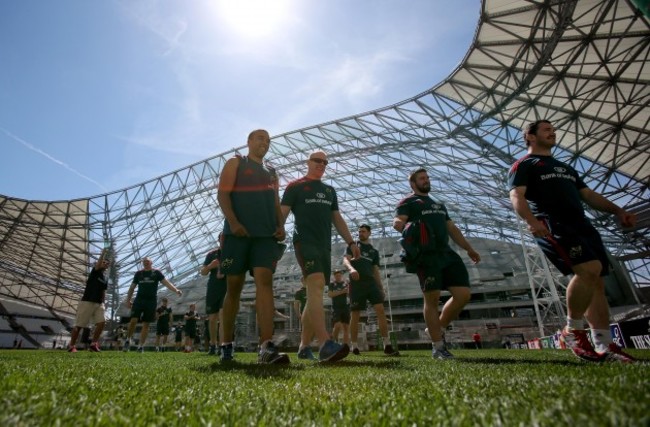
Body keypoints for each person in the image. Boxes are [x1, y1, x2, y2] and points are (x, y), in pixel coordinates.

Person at [508, 119, 637, 363]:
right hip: (553, 224)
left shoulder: (564, 167)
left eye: (553, 130)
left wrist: (618, 211)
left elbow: (588, 195)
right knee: (588, 270)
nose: (553, 133)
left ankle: (604, 344)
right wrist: (531, 220)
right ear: (530, 137)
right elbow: (516, 194)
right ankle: (573, 330)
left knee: (596, 281)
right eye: (547, 130)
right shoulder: (524, 164)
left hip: (582, 224)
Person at [280, 150, 361, 362]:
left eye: (325, 162)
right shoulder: (295, 186)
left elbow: (337, 218)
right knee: (315, 285)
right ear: (308, 162)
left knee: (315, 293)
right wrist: (275, 233)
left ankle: (303, 346)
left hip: (324, 245)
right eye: (317, 160)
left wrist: (351, 242)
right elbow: (282, 214)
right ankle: (325, 343)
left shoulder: (329, 191)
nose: (321, 164)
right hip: (304, 242)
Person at [393, 168, 481, 360]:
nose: (426, 180)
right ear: (413, 183)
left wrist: (469, 248)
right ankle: (438, 347)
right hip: (426, 256)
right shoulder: (408, 202)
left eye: (427, 178)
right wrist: (408, 228)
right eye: (422, 178)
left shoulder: (439, 205)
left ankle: (437, 327)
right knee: (431, 300)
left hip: (447, 254)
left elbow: (452, 228)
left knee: (463, 295)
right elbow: (398, 222)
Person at [217, 129, 288, 364]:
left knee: (264, 281)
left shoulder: (272, 172)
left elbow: (276, 203)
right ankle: (226, 345)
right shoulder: (236, 163)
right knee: (234, 287)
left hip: (265, 236)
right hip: (238, 234)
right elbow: (223, 194)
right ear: (248, 141)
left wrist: (280, 225)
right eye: (260, 138)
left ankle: (266, 346)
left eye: (268, 140)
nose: (265, 143)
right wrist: (234, 223)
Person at [343, 225, 399, 356]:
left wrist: (380, 287)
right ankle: (354, 346)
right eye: (359, 232)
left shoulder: (374, 252)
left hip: (371, 283)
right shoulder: (353, 246)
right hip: (356, 284)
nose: (360, 233)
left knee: (380, 310)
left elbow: (375, 271)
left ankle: (387, 345)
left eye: (363, 231)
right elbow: (345, 260)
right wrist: (351, 269)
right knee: (355, 314)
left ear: (369, 233)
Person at [123, 257, 182, 352]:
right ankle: (128, 339)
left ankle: (141, 346)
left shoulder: (156, 273)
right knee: (133, 320)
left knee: (146, 323)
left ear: (151, 262)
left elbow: (166, 283)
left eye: (147, 261)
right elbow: (132, 287)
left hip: (151, 301)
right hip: (139, 300)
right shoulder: (138, 274)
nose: (145, 263)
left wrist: (176, 290)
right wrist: (128, 300)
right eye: (144, 262)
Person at [68, 248, 110, 353]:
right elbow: (99, 263)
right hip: (87, 301)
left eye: (107, 263)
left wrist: (104, 302)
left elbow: (103, 291)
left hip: (99, 303)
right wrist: (103, 253)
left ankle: (93, 344)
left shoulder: (105, 278)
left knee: (102, 322)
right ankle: (71, 345)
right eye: (103, 262)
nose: (105, 264)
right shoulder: (95, 272)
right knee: (79, 325)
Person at [200, 232, 227, 356]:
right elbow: (203, 272)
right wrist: (211, 266)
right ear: (218, 240)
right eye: (222, 238)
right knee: (212, 319)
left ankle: (222, 346)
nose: (224, 240)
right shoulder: (211, 254)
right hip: (213, 288)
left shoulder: (232, 253)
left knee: (222, 317)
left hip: (226, 288)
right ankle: (212, 344)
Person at [327, 270, 350, 346]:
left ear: (341, 276)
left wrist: (348, 292)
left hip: (346, 307)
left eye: (339, 275)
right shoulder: (332, 284)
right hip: (336, 307)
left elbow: (348, 294)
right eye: (336, 275)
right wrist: (341, 292)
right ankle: (333, 341)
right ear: (334, 276)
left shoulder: (345, 283)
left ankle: (345, 345)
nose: (338, 277)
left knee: (346, 327)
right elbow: (330, 294)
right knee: (337, 325)